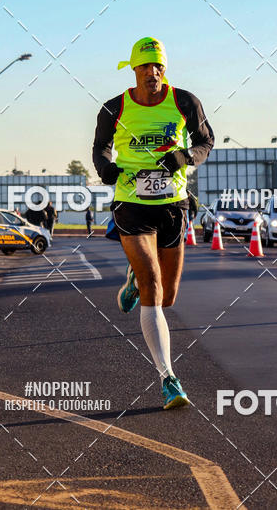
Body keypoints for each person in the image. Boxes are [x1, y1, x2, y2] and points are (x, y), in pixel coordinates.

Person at [93, 37, 214, 410]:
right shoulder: (115, 107)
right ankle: (168, 379)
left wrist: (184, 157)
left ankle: (134, 277)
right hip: (132, 204)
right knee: (153, 285)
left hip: (173, 206)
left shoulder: (184, 101)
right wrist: (106, 169)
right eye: (146, 66)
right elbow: (100, 148)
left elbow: (206, 142)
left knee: (169, 295)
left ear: (165, 69)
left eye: (158, 66)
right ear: (135, 70)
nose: (153, 73)